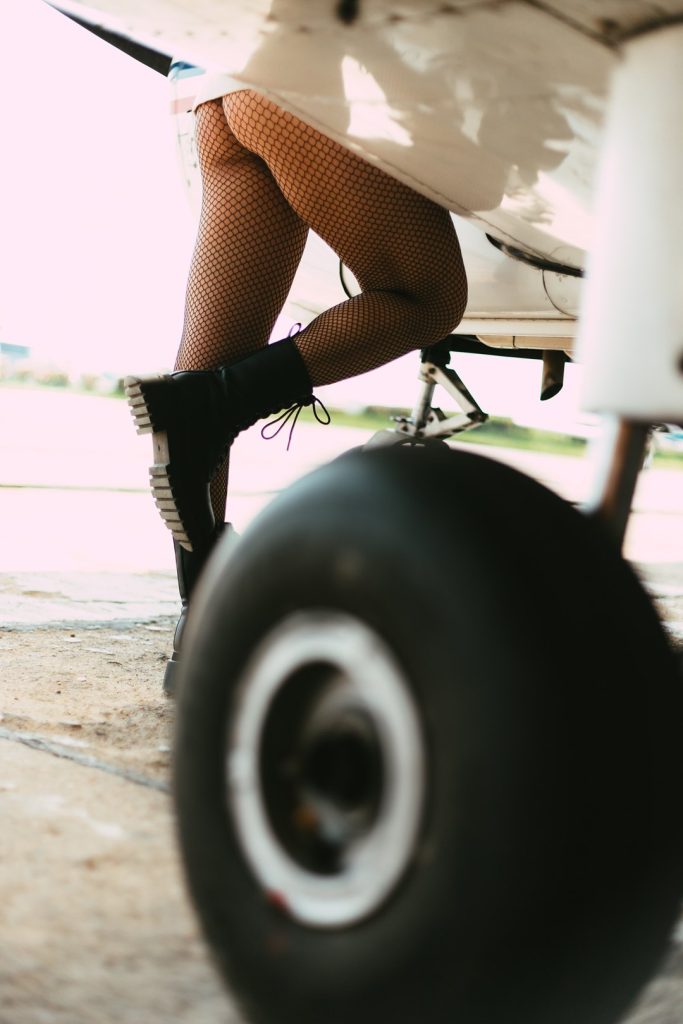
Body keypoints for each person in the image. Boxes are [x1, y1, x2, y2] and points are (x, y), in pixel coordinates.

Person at [124, 84, 468, 694]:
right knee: (427, 297)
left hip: (216, 95)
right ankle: (213, 407)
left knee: (210, 364)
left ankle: (205, 623)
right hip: (299, 79)